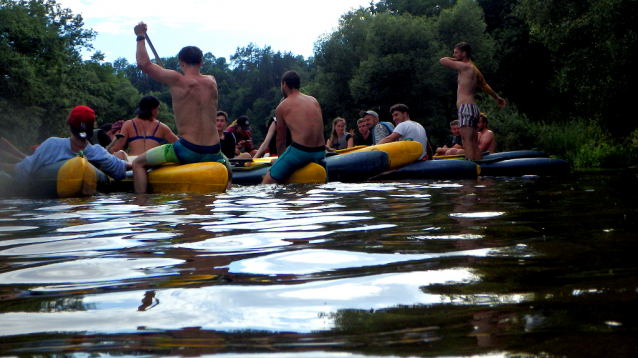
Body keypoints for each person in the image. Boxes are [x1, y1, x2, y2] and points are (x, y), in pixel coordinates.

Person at [132, 21, 232, 192]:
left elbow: (143, 64)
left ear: (181, 63)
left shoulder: (177, 80)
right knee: (229, 173)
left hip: (187, 150)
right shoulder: (212, 81)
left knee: (138, 163)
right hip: (214, 151)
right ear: (201, 62)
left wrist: (140, 36)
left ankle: (141, 205)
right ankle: (225, 194)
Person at [4, 105, 130, 182]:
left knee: (22, 161)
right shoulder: (98, 152)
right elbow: (121, 169)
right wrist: (141, 162)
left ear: (69, 124)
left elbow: (22, 170)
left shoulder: (52, 145)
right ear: (93, 128)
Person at [439, 42, 505, 160]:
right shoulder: (473, 69)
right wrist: (497, 98)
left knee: (466, 142)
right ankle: (479, 167)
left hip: (466, 107)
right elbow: (484, 85)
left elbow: (442, 60)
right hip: (473, 109)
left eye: (456, 52)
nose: (454, 55)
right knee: (474, 142)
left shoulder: (465, 66)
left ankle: (471, 169)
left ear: (464, 54)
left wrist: (453, 59)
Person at [262, 70, 326, 184]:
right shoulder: (314, 101)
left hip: (301, 152)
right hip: (320, 152)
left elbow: (281, 140)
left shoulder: (282, 106)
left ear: (285, 84)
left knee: (266, 182)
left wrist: (280, 160)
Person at [110, 95, 179, 162]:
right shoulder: (161, 127)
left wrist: (115, 134)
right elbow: (179, 144)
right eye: (157, 109)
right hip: (151, 162)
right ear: (152, 110)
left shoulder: (128, 124)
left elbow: (116, 148)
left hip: (133, 162)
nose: (157, 113)